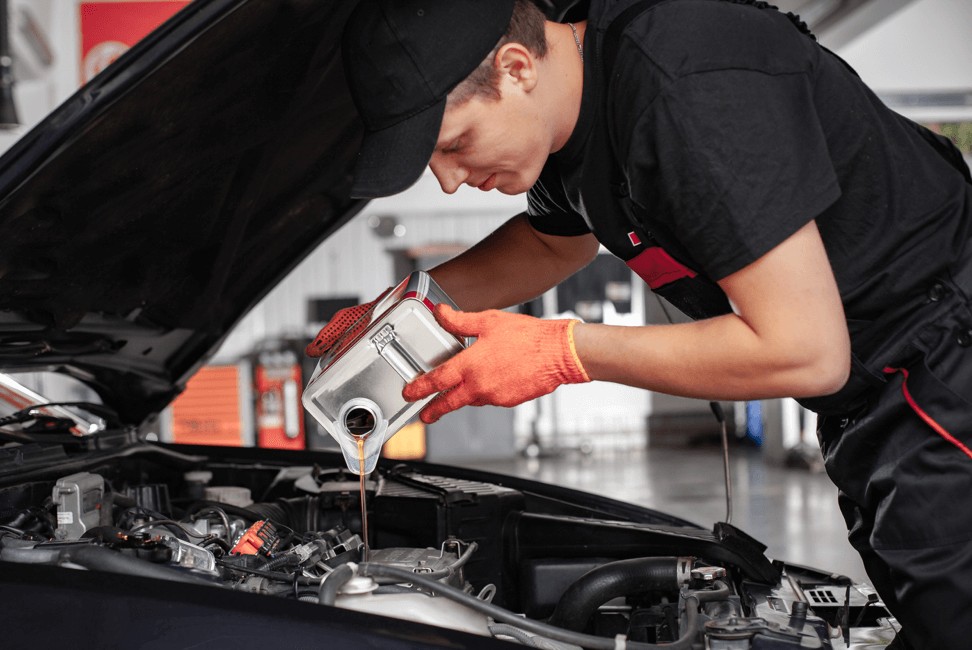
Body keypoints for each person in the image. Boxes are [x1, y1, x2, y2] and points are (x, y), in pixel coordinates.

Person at [313, 1, 972, 647]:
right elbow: (551, 244)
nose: (450, 181)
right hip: (878, 398)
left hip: (945, 363)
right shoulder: (579, 108)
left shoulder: (683, 90)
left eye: (456, 144)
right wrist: (407, 304)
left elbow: (806, 351)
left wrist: (560, 352)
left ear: (516, 68)